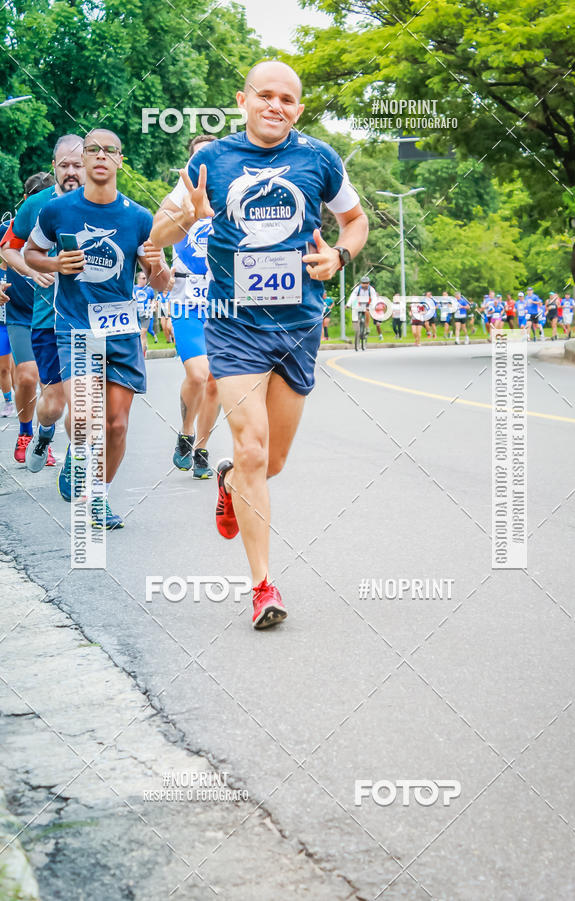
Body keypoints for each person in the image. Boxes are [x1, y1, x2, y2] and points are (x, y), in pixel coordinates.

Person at [150, 59, 368, 627]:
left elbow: (356, 221)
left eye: (288, 99)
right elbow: (159, 233)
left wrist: (338, 256)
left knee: (269, 462)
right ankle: (262, 587)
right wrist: (190, 217)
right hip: (234, 325)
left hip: (299, 325)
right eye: (265, 95)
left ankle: (227, 482)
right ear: (242, 100)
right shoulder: (210, 161)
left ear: (298, 108)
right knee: (249, 448)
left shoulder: (319, 158)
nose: (276, 106)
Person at [24, 128, 170, 528]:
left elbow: (162, 283)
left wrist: (156, 264)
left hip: (121, 331)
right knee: (87, 417)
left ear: (120, 160)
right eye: (93, 151)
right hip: (75, 326)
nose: (101, 156)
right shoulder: (57, 211)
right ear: (83, 159)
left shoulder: (139, 217)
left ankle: (99, 497)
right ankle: (83, 476)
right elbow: (29, 252)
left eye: (110, 151)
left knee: (117, 424)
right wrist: (55, 265)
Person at [2, 138, 85, 472]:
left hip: (91, 321)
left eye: (77, 165)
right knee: (54, 403)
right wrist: (32, 271)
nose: (71, 172)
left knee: (85, 403)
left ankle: (78, 471)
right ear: (54, 166)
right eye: (64, 165)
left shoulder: (108, 203)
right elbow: (8, 247)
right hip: (47, 318)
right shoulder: (36, 205)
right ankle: (42, 432)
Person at [158, 136, 220, 480]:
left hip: (224, 303)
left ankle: (203, 448)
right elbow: (153, 236)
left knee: (215, 380)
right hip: (185, 301)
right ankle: (186, 431)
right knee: (197, 374)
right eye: (198, 156)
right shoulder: (178, 195)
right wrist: (161, 269)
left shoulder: (232, 194)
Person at [0, 172, 55, 462]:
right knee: (26, 376)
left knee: (50, 385)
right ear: (26, 201)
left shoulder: (60, 224)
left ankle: (45, 435)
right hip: (20, 314)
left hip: (53, 316)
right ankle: (25, 432)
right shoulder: (8, 230)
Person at [0, 271, 15, 416]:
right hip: (1, 326)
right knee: (4, 368)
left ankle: (26, 398)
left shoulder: (19, 269)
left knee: (21, 368)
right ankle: (8, 402)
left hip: (19, 323)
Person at [348, 275, 379, 341]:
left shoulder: (371, 289)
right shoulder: (357, 289)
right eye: (363, 283)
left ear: (369, 283)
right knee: (354, 312)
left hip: (367, 304)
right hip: (359, 303)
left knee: (367, 312)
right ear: (361, 283)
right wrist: (348, 305)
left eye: (366, 283)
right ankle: (357, 327)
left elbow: (374, 298)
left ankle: (367, 327)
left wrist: (371, 306)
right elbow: (352, 296)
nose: (365, 285)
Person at [133, 270, 155, 357]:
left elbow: (153, 299)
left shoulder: (149, 290)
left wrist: (153, 305)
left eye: (146, 278)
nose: (145, 280)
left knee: (143, 332)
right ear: (138, 279)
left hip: (146, 314)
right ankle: (142, 347)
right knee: (136, 334)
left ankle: (142, 355)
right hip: (135, 314)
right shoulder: (133, 288)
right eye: (143, 278)